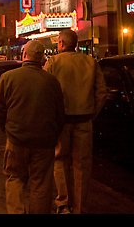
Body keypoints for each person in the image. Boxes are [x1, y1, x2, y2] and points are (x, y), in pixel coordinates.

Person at [0, 40, 65, 214]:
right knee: (41, 184)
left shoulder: (8, 77)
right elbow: (60, 114)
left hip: (16, 140)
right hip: (44, 142)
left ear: (24, 54)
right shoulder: (52, 81)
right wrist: (54, 135)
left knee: (15, 178)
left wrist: (6, 128)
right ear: (41, 59)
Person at [43, 29, 108, 214]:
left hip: (61, 121)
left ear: (61, 44)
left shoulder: (53, 62)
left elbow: (45, 91)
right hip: (84, 120)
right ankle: (80, 207)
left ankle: (63, 204)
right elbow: (102, 93)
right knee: (82, 165)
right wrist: (92, 112)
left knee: (60, 160)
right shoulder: (90, 62)